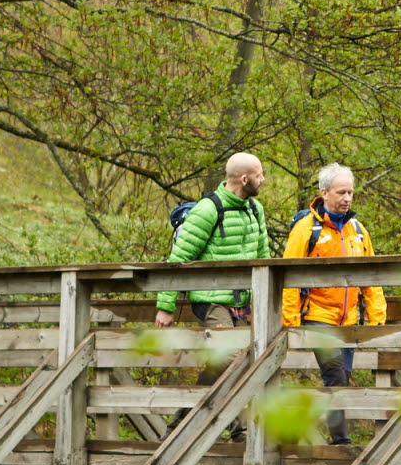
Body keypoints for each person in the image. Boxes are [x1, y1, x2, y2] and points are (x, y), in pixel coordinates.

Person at [280, 163, 386, 445]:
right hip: (318, 315)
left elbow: (372, 276)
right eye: (341, 192)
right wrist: (290, 322)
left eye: (350, 192)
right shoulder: (306, 229)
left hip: (349, 319)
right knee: (336, 376)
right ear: (324, 193)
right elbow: (287, 276)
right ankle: (340, 441)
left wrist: (376, 319)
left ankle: (313, 431)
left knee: (343, 378)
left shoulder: (358, 230)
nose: (347, 198)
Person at [154, 151, 271, 331]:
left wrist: (265, 301)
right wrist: (165, 307)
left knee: (251, 353)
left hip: (242, 300)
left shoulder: (255, 209)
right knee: (227, 353)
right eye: (259, 175)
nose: (263, 179)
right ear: (245, 180)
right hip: (210, 299)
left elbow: (264, 258)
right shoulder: (207, 210)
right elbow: (179, 258)